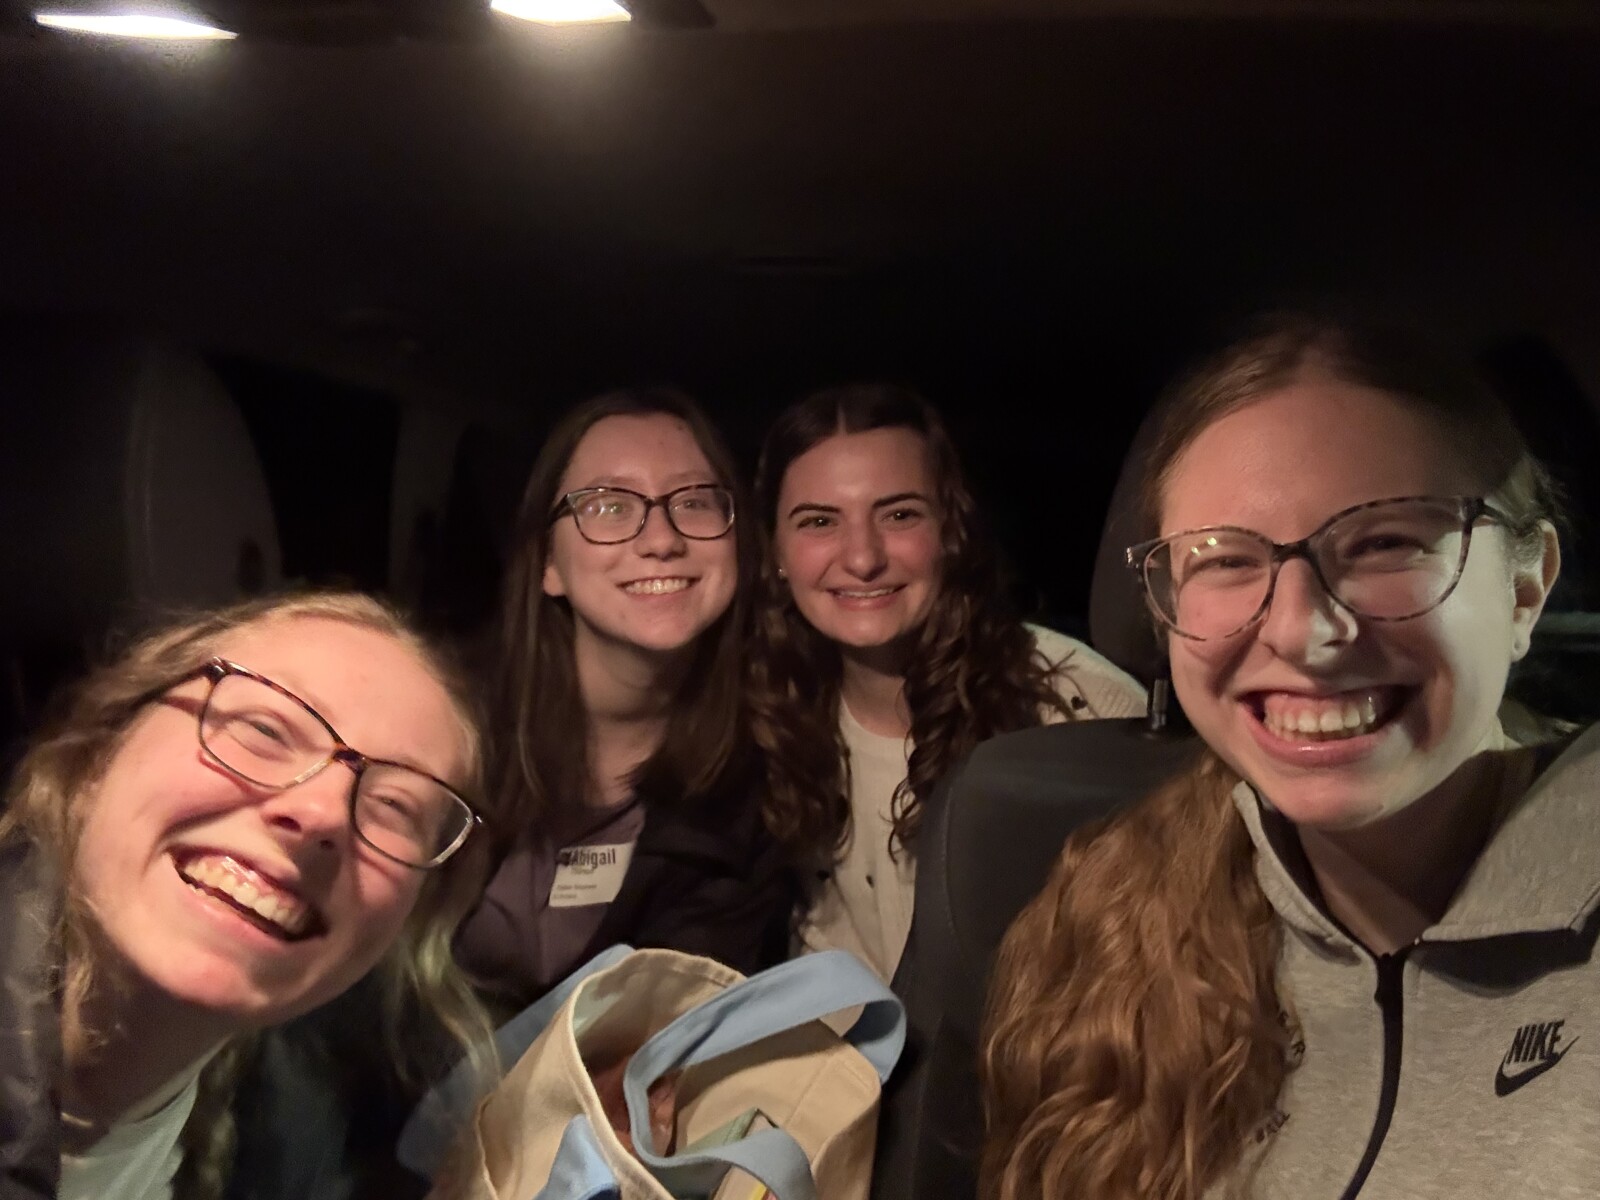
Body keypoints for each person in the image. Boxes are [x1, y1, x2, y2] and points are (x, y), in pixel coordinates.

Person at [981, 314, 1592, 1200]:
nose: (1303, 630)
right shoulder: (1099, 924)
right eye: (1225, 559)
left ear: (1526, 587)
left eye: (1386, 542)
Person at [0, 591, 491, 1200]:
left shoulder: (297, 1150)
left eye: (395, 806)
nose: (322, 813)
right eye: (264, 730)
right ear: (101, 750)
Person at [748, 383, 1145, 983]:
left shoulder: (1078, 705)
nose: (862, 558)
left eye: (899, 515)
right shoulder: (777, 708)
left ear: (950, 531)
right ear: (777, 551)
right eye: (819, 521)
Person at [454, 387, 790, 1012]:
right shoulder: (444, 724)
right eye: (608, 505)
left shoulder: (765, 783)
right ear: (548, 564)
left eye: (694, 501)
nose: (661, 538)